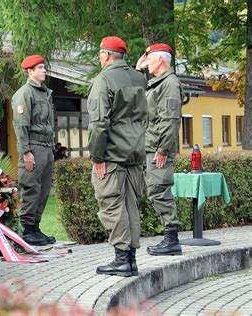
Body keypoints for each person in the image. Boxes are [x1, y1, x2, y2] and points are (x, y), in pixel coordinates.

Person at [88, 36, 147, 277]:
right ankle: (131, 260)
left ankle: (121, 259)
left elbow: (99, 123)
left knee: (111, 205)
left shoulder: (103, 80)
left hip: (111, 154)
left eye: (100, 55)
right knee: (130, 205)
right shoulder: (139, 77)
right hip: (134, 152)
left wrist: (96, 156)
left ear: (105, 55)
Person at [136, 44, 183, 256]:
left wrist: (163, 149)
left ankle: (172, 240)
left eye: (150, 59)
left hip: (158, 148)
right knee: (154, 190)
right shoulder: (157, 83)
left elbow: (170, 119)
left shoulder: (169, 84)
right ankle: (169, 238)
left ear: (161, 60)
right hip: (151, 146)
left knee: (159, 190)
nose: (147, 63)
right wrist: (138, 70)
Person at [11, 54, 56, 246]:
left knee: (44, 189)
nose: (44, 70)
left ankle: (35, 227)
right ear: (29, 72)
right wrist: (26, 152)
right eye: (39, 68)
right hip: (33, 147)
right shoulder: (25, 93)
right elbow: (20, 125)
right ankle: (27, 229)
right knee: (31, 188)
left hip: (46, 147)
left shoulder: (44, 93)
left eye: (44, 67)